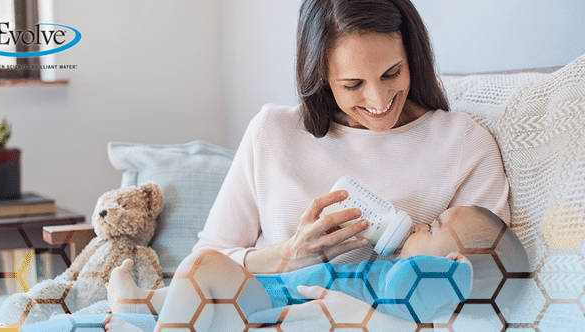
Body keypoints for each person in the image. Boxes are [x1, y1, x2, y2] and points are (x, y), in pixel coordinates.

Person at [192, 0, 510, 275]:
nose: (378, 100)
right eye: (353, 84)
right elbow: (204, 264)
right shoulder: (272, 132)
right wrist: (287, 256)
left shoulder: (463, 145)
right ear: (323, 78)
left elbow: (485, 283)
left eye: (391, 73)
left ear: (411, 55)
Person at [103, 206, 528, 331]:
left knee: (205, 267)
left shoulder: (411, 284)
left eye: (432, 227)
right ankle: (140, 303)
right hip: (267, 292)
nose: (419, 224)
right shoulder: (389, 274)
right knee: (197, 290)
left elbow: (443, 284)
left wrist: (460, 275)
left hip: (269, 307)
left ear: (449, 267)